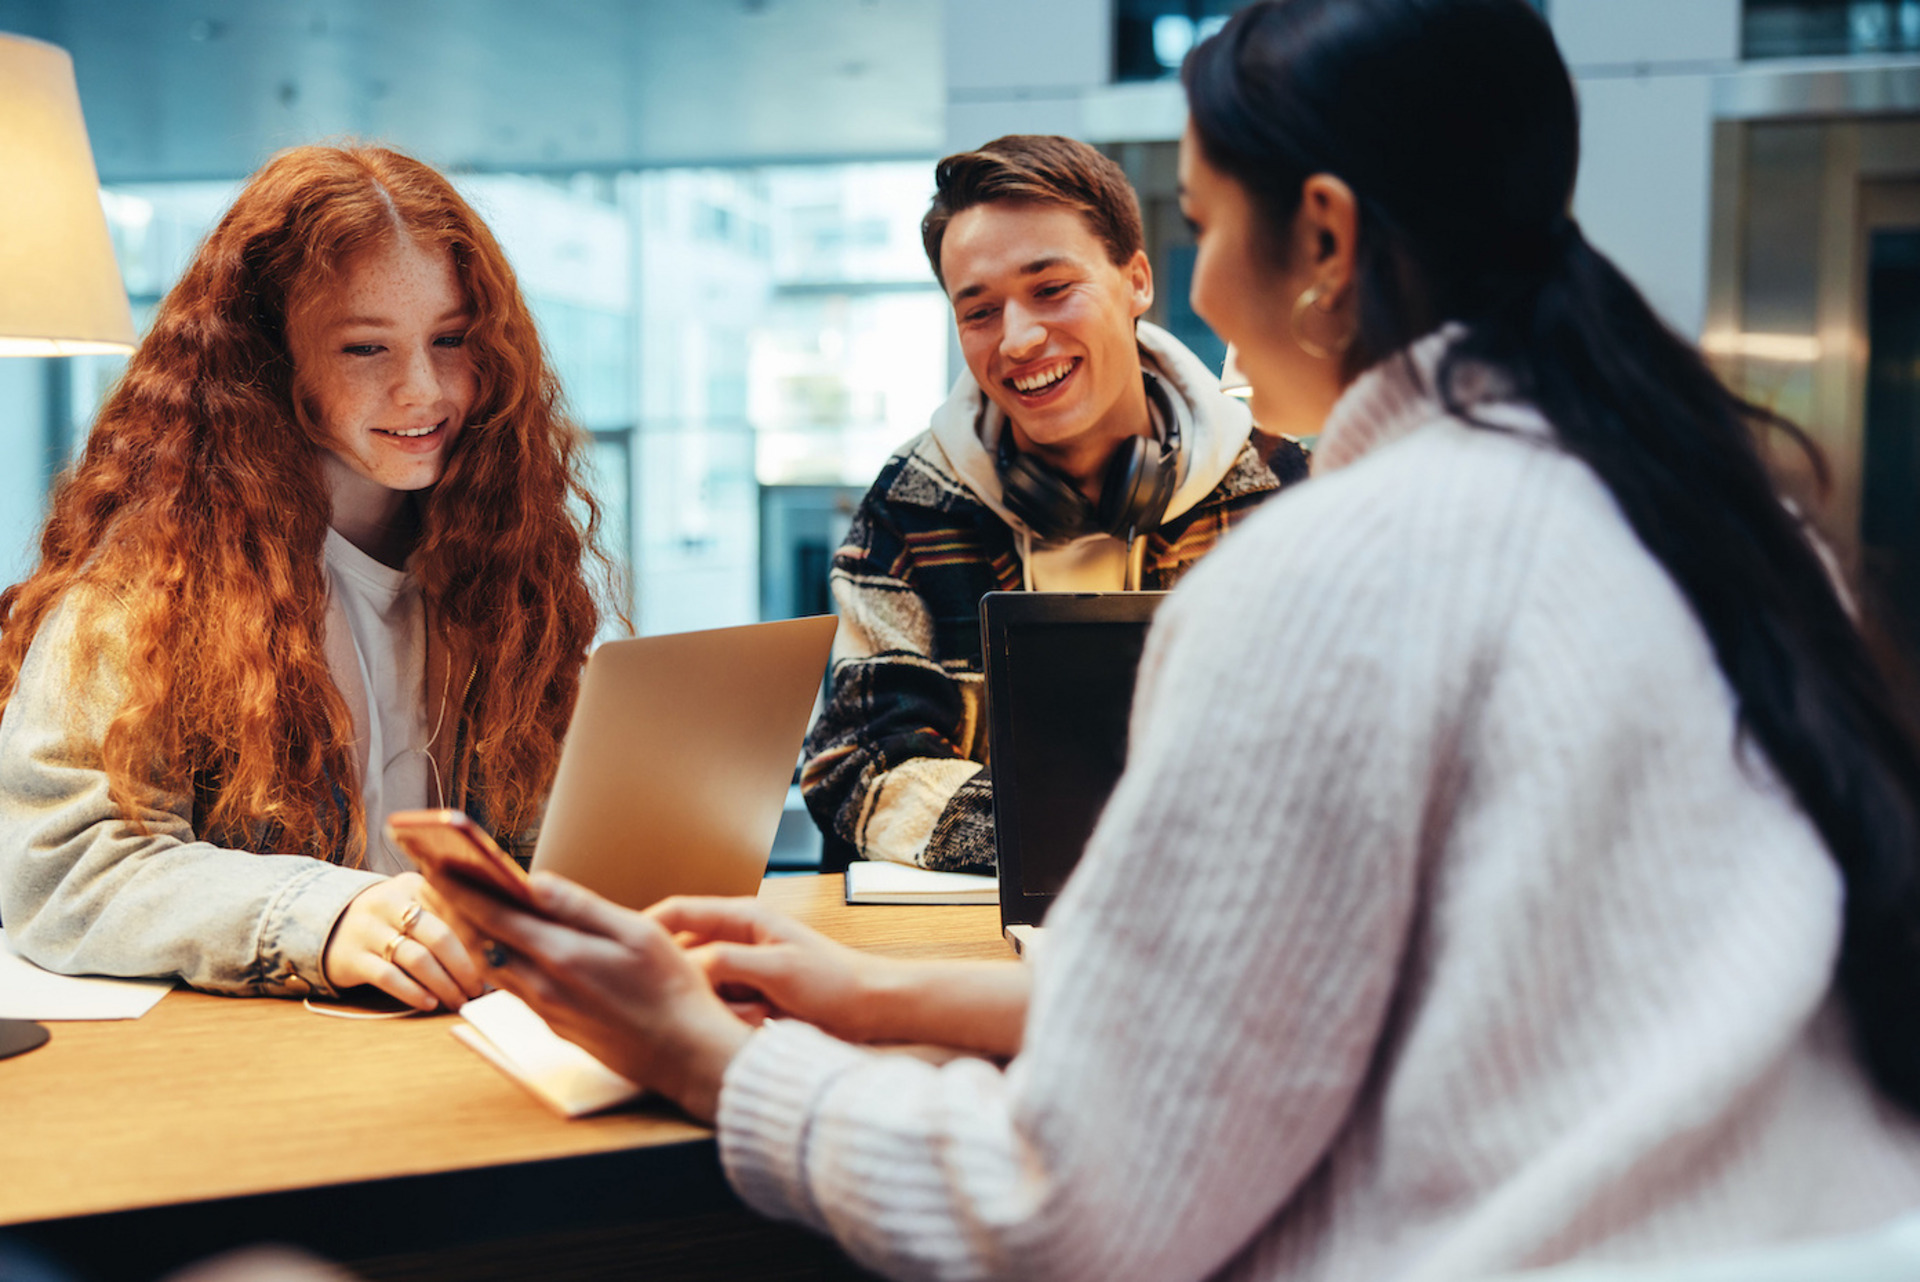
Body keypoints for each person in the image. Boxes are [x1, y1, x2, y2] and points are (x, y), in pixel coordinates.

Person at [424, 1, 1920, 1278]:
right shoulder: (1730, 523)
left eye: (1201, 225)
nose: (1199, 285)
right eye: (974, 310)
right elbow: (1341, 985)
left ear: (1319, 234)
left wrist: (706, 1056)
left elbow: (1071, 1207)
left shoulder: (1323, 560)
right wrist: (876, 990)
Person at [0, 144, 610, 1012]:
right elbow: (62, 864)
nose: (423, 389)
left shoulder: (501, 555)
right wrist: (325, 917)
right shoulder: (151, 584)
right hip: (252, 1069)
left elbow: (538, 838)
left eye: (452, 340)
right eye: (366, 348)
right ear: (266, 358)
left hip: (464, 1031)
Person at [800, 133, 1308, 872]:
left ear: (1136, 280)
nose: (1018, 340)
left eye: (1050, 289)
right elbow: (862, 765)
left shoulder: (1281, 487)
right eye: (978, 312)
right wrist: (1105, 833)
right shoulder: (911, 503)